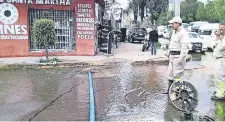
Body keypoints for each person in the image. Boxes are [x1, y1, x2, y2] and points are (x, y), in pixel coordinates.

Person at [163, 17, 190, 94]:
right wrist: (168, 52)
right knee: (170, 74)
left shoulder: (183, 33)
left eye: (173, 23)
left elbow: (185, 48)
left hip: (178, 57)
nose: (171, 25)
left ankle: (178, 91)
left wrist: (181, 59)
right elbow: (172, 44)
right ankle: (170, 90)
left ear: (178, 23)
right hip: (172, 57)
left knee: (177, 75)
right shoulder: (174, 32)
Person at [211, 20, 225, 100]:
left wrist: (219, 37)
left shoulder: (223, 38)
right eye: (219, 29)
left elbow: (222, 46)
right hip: (218, 59)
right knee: (217, 77)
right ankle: (219, 91)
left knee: (220, 77)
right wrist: (217, 37)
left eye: (222, 29)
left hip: (222, 60)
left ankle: (221, 94)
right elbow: (213, 45)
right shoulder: (221, 37)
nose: (220, 31)